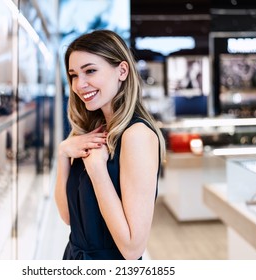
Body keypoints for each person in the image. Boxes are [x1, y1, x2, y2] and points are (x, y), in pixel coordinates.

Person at [55, 29, 165, 260]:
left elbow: (133, 249)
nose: (79, 84)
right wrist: (63, 153)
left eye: (90, 71)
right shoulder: (93, 132)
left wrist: (97, 171)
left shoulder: (137, 135)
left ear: (122, 71)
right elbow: (68, 218)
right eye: (74, 75)